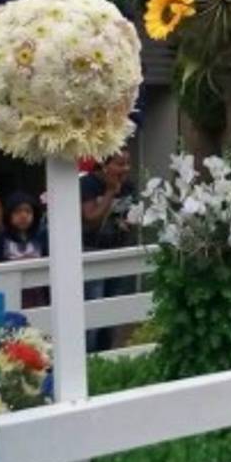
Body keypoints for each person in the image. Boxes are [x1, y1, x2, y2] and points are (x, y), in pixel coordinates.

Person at [81, 150, 137, 351]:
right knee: (94, 312)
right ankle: (88, 359)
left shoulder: (129, 187)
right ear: (104, 165)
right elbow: (91, 220)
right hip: (92, 252)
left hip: (117, 252)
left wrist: (127, 223)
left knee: (112, 314)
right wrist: (110, 192)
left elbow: (132, 216)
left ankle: (106, 357)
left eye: (127, 164)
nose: (125, 169)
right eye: (120, 164)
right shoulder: (87, 184)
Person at [0, 192, 48, 263]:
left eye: (28, 211)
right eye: (17, 211)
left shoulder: (42, 237)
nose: (24, 216)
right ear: (8, 215)